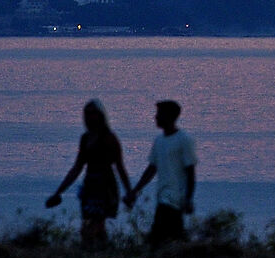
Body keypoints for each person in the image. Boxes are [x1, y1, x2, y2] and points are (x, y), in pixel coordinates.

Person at [45, 99, 133, 247]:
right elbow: (77, 167)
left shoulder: (109, 138)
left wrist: (129, 192)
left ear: (100, 116)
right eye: (87, 114)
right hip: (90, 187)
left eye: (93, 114)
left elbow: (120, 167)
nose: (90, 117)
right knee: (94, 228)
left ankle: (93, 257)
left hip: (105, 187)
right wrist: (58, 192)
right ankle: (105, 257)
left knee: (92, 227)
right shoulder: (85, 138)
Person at [128, 99, 197, 245]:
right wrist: (135, 191)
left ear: (170, 116)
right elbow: (152, 169)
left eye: (159, 114)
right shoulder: (159, 141)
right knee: (173, 237)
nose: (156, 117)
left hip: (174, 199)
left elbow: (190, 171)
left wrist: (188, 198)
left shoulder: (184, 139)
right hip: (163, 198)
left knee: (158, 239)